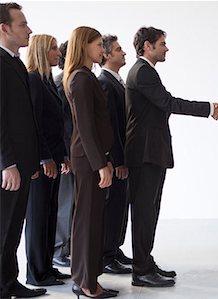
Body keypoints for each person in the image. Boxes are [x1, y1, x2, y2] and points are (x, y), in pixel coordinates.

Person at [125, 26, 218, 288]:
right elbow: (169, 103)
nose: (166, 48)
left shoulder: (145, 72)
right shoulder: (143, 72)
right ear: (147, 46)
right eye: (162, 43)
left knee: (151, 210)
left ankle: (145, 261)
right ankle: (141, 270)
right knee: (145, 212)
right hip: (145, 153)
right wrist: (209, 108)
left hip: (151, 152)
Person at [63, 26, 116, 298]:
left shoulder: (83, 76)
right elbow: (85, 126)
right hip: (88, 160)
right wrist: (100, 164)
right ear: (85, 46)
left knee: (91, 220)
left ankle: (88, 279)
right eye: (98, 45)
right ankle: (86, 283)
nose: (102, 50)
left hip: (89, 158)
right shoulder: (81, 78)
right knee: (87, 221)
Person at [0, 3, 45, 298]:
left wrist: (33, 159)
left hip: (24, 161)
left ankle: (9, 281)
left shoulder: (16, 63)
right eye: (22, 24)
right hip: (9, 164)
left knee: (15, 226)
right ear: (4, 28)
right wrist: (8, 162)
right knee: (3, 228)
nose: (29, 30)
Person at [24, 34, 71, 287]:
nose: (58, 53)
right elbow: (35, 124)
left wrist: (61, 156)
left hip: (54, 158)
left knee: (50, 214)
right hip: (43, 162)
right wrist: (45, 158)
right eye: (53, 48)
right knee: (38, 215)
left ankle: (47, 268)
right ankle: (36, 273)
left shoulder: (47, 81)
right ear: (42, 51)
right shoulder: (33, 79)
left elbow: (57, 126)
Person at [98, 34, 132, 275]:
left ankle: (115, 248)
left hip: (125, 156)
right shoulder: (105, 83)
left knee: (121, 206)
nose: (124, 53)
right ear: (107, 54)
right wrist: (117, 160)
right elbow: (110, 126)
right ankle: (107, 255)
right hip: (117, 159)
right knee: (113, 207)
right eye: (119, 50)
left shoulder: (118, 81)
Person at [53, 40, 74, 268]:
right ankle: (58, 250)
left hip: (72, 153)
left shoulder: (68, 82)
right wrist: (64, 156)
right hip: (67, 155)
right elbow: (61, 124)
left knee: (71, 202)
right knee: (65, 202)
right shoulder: (62, 84)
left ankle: (65, 248)